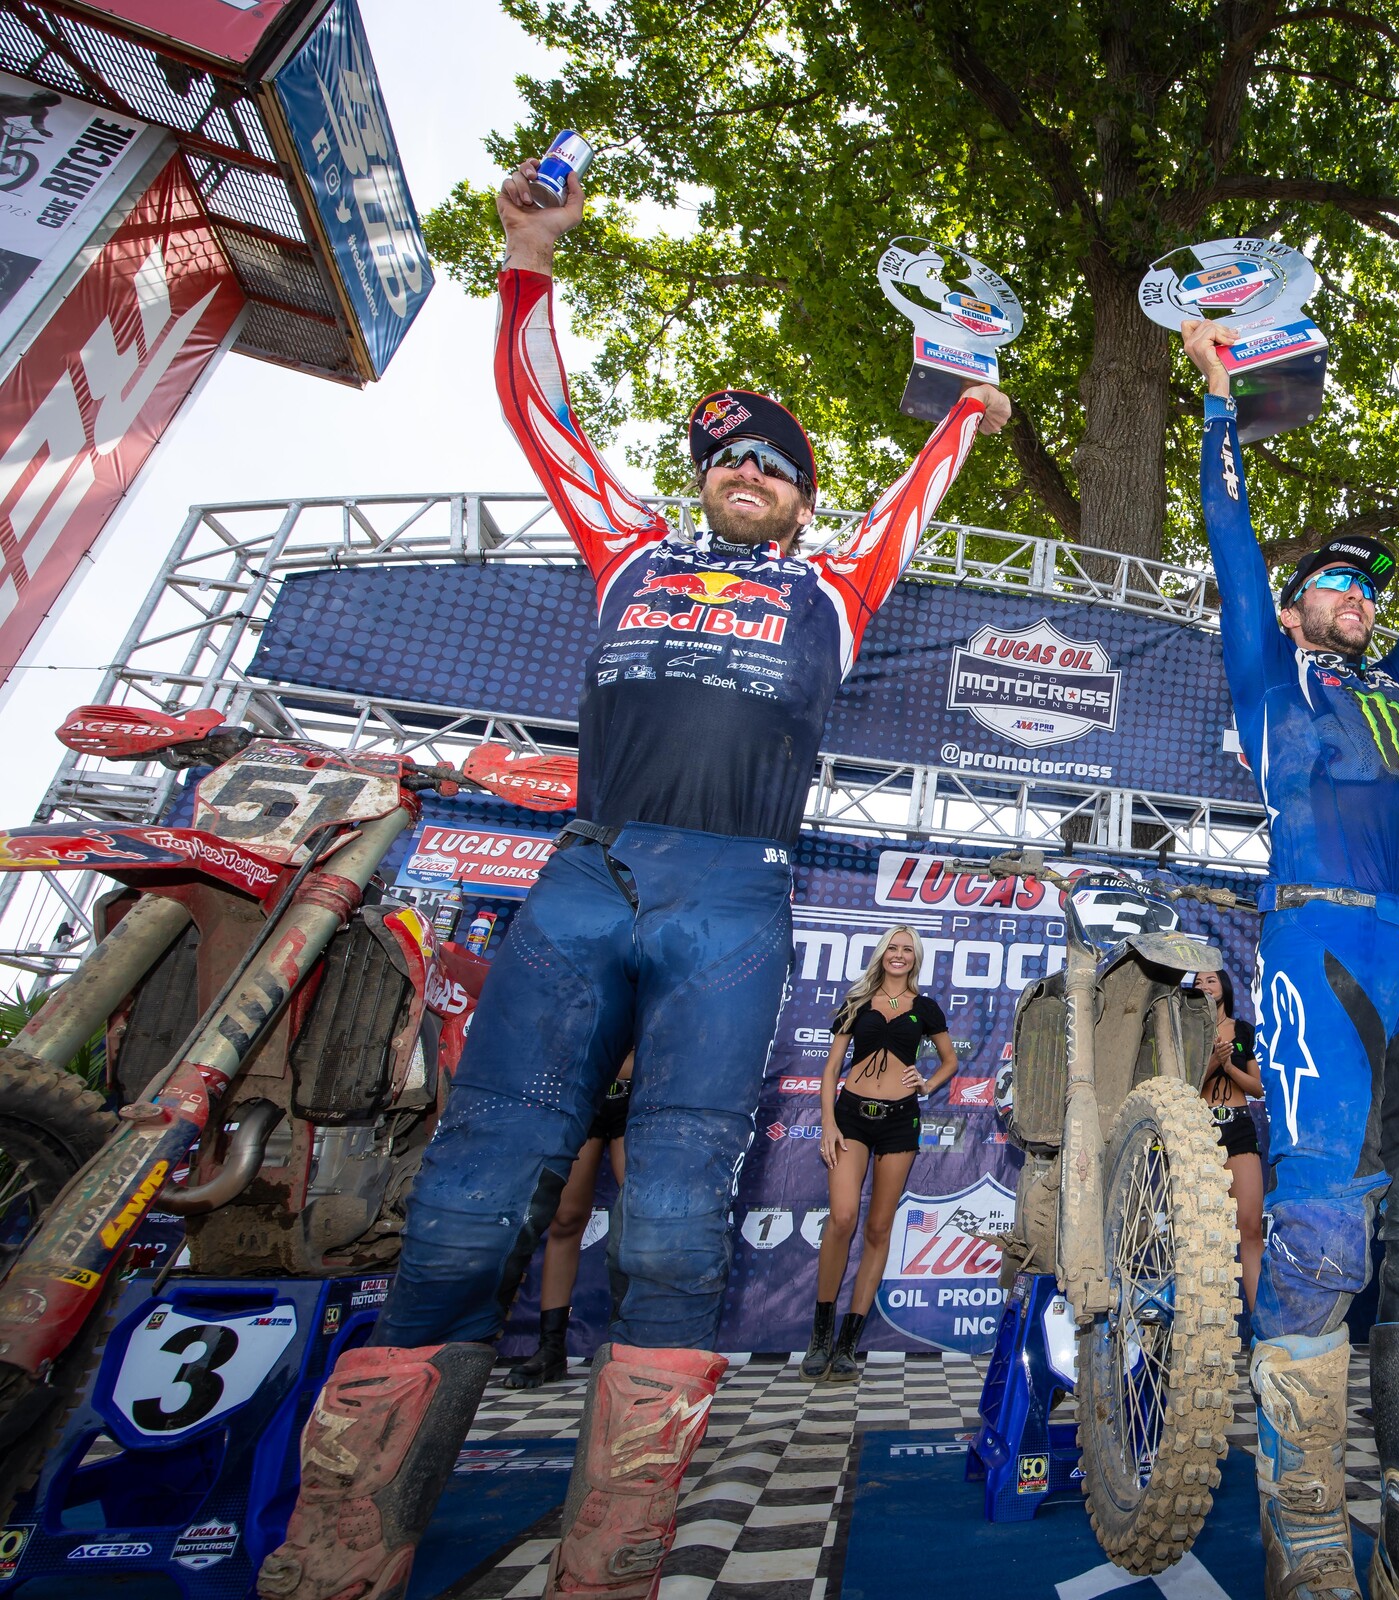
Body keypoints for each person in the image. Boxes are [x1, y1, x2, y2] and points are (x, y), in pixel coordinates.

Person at [260, 159, 1008, 1600]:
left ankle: (616, 1545)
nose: (748, 473)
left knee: (674, 1208)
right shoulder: (627, 549)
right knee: (472, 1195)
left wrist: (970, 405)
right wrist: (529, 259)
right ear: (699, 479)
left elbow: (921, 490)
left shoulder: (836, 586)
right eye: (728, 458)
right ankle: (356, 1531)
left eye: (775, 465)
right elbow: (543, 418)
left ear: (804, 500)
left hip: (732, 897)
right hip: (587, 879)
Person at [1183, 317, 1399, 1600]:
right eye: (1333, 583)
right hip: (1320, 937)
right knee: (1318, 1233)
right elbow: (1232, 540)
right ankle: (1304, 1530)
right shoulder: (1270, 675)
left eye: (1366, 589)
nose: (1356, 598)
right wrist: (1218, 403)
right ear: (1295, 605)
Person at [808, 927, 959, 1378]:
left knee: (878, 1228)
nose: (899, 955)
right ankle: (819, 1338)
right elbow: (831, 1069)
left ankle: (847, 1344)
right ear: (882, 954)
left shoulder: (926, 1008)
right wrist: (829, 1123)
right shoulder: (856, 1002)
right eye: (892, 947)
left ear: (915, 958)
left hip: (899, 1121)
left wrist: (926, 1084)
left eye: (907, 949)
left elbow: (950, 1061)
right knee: (842, 1218)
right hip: (851, 1117)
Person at [503, 1056, 634, 1389]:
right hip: (581, 1091)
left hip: (639, 1096)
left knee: (639, 1215)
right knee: (565, 1219)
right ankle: (551, 1347)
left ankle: (635, 1342)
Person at [1193, 968, 1266, 1321]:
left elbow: (1257, 1088)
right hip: (1199, 1128)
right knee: (1203, 1233)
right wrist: (1212, 1060)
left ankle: (1263, 1326)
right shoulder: (1188, 1027)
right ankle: (1207, 1326)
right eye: (1197, 981)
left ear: (1223, 985)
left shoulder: (1242, 1031)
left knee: (1250, 1227)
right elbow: (1187, 1085)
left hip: (1238, 1126)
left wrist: (1229, 1066)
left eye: (1210, 980)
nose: (1204, 985)